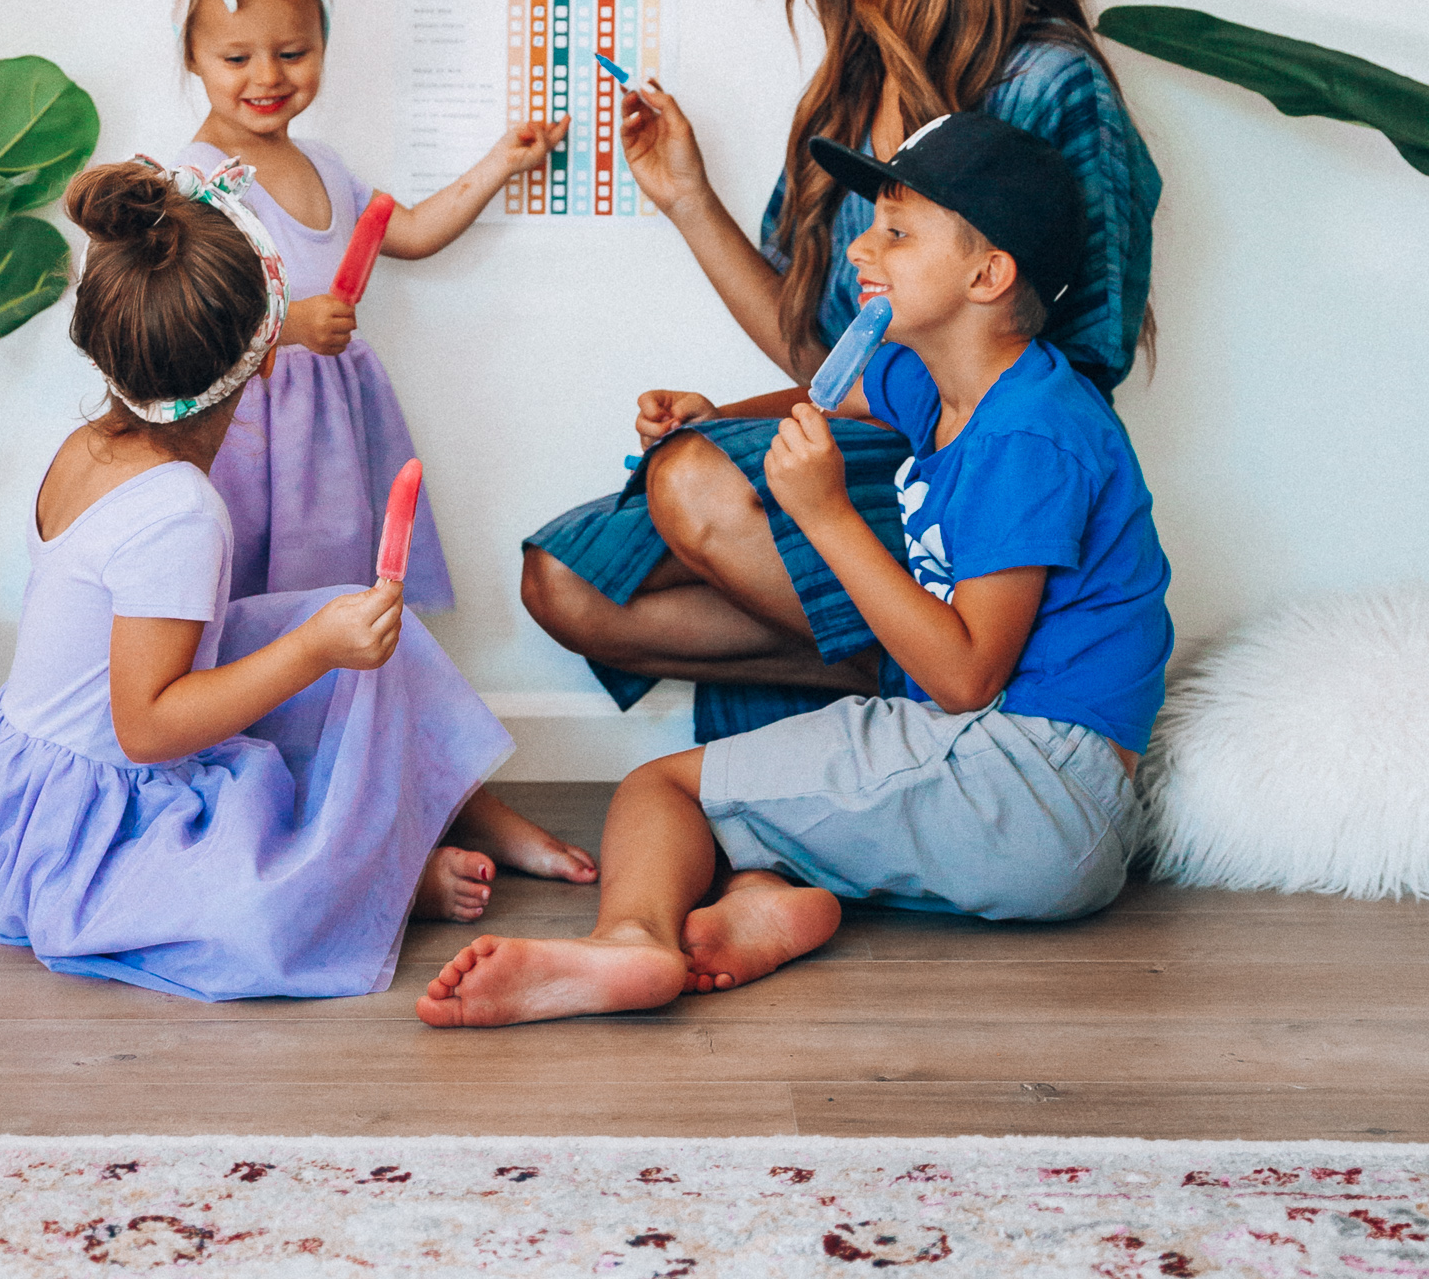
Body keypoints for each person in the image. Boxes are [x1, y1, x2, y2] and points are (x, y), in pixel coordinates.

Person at [418, 112, 1172, 1028]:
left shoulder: (1030, 434)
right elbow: (830, 392)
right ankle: (769, 902)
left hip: (1029, 781)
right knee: (773, 805)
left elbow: (968, 677)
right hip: (1049, 812)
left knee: (662, 792)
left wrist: (826, 513)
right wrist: (710, 416)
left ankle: (630, 942)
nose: (865, 246)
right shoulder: (940, 378)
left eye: (898, 231)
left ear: (988, 273)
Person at [521, 0, 1161, 743]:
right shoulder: (849, 87)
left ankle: (955, 664)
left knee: (696, 482)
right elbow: (824, 357)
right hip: (872, 432)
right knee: (564, 583)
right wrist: (687, 200)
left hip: (977, 469)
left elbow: (1071, 366)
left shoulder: (1047, 82)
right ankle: (900, 669)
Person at [0, 156, 592, 1003]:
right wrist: (313, 648)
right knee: (256, 912)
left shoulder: (89, 447)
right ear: (268, 357)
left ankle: (440, 806)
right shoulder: (180, 511)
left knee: (367, 628)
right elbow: (148, 730)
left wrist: (324, 634)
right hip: (85, 817)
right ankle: (378, 888)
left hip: (29, 761)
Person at [176, 0, 570, 624]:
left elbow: (412, 231)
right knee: (252, 602)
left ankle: (332, 722)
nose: (267, 77)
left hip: (329, 433)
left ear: (322, 44)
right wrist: (290, 327)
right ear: (193, 58)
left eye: (292, 52)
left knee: (335, 600)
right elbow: (184, 322)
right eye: (236, 59)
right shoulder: (197, 180)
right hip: (248, 435)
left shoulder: (324, 164)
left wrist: (502, 162)